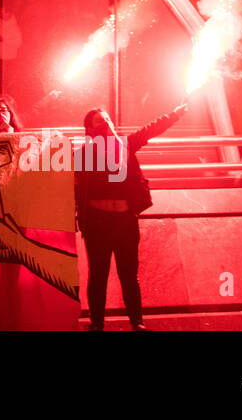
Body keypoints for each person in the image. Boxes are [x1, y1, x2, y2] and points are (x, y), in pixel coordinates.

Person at [75, 103, 188, 331]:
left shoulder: (125, 145)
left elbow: (150, 130)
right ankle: (97, 324)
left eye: (108, 120)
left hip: (125, 221)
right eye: (100, 121)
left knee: (129, 274)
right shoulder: (83, 154)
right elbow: (74, 189)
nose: (106, 123)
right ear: (89, 129)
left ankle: (137, 322)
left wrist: (174, 114)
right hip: (98, 223)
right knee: (98, 275)